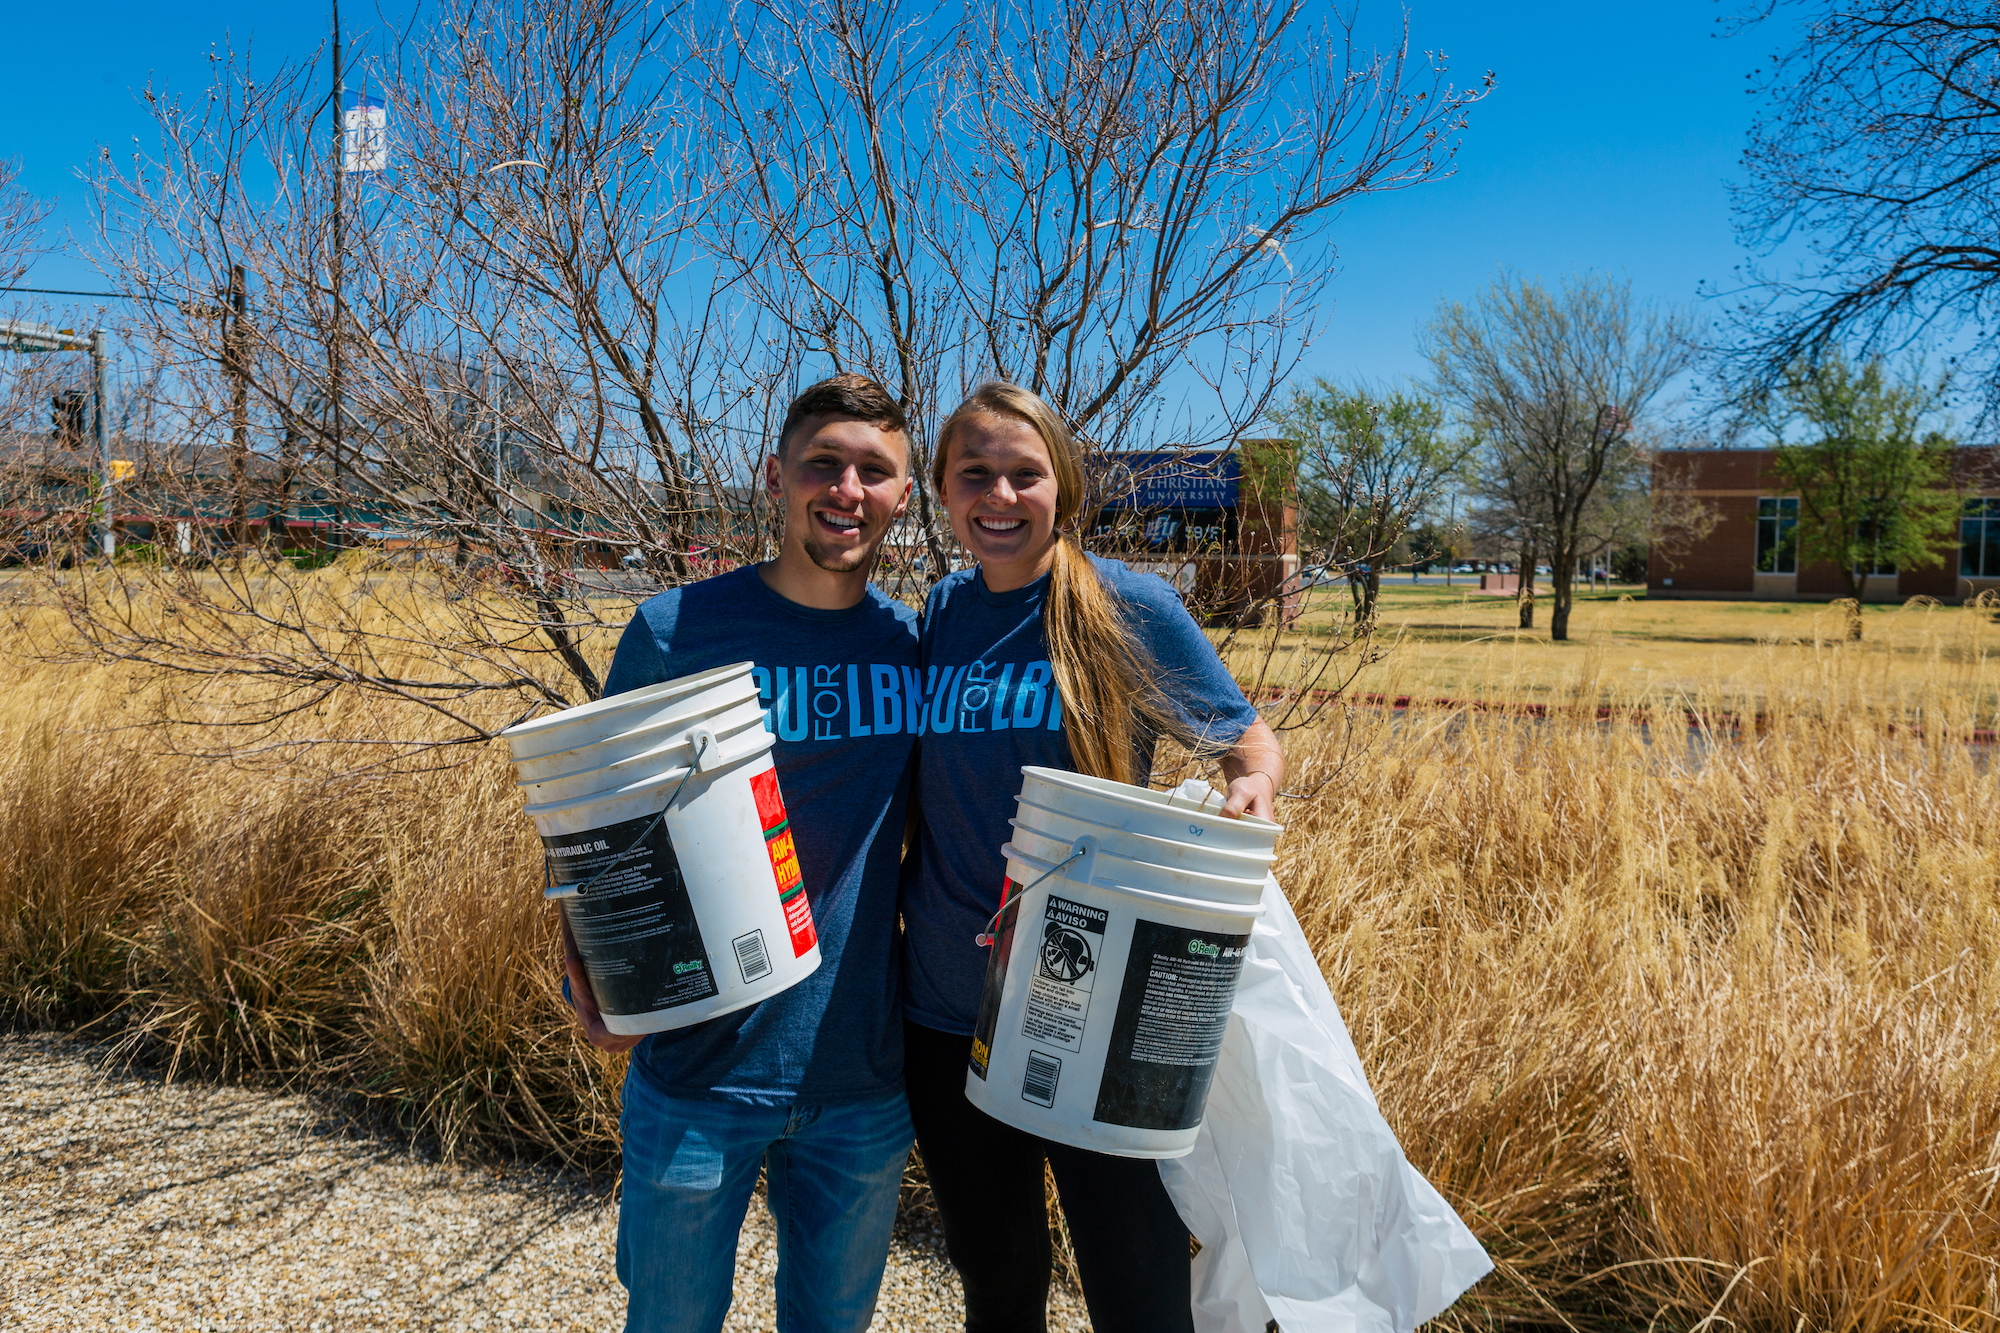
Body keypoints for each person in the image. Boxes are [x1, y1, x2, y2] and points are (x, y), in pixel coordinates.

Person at [900, 382, 1286, 1333]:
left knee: (1139, 1289)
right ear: (945, 493)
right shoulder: (942, 613)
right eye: (974, 474)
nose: (1000, 495)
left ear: (1062, 487)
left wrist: (1252, 787)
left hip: (1095, 1009)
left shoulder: (1127, 605)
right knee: (998, 1289)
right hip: (950, 1008)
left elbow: (1246, 735)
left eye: (1024, 474)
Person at [562, 374, 922, 1333]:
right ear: (775, 476)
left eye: (874, 471)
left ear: (902, 495)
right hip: (699, 1072)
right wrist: (591, 973)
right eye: (824, 464)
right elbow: (597, 821)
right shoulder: (678, 630)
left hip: (862, 1081)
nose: (847, 488)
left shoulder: (913, 647)